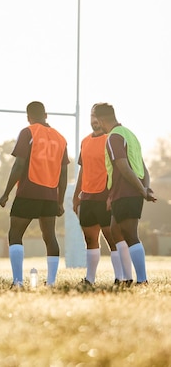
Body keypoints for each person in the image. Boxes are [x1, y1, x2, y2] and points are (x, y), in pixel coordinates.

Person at [0, 101, 68, 287]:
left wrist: (6, 193)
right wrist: (60, 201)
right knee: (50, 237)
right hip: (50, 195)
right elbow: (64, 174)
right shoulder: (61, 138)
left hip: (29, 191)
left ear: (28, 117)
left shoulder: (28, 132)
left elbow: (19, 165)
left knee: (15, 234)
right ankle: (52, 282)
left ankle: (18, 281)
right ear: (46, 115)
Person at [93, 103, 156, 285]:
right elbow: (143, 167)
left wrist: (142, 191)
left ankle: (142, 279)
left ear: (102, 119)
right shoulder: (130, 135)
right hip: (126, 192)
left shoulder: (113, 137)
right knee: (115, 230)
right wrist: (145, 187)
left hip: (128, 192)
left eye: (97, 120)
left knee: (129, 233)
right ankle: (126, 278)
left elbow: (124, 166)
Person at [73, 105, 125, 285]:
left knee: (112, 238)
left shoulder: (111, 139)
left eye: (97, 116)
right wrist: (75, 196)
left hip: (105, 195)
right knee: (90, 239)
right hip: (87, 197)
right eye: (91, 115)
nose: (94, 120)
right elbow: (83, 169)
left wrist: (113, 194)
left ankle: (120, 277)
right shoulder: (85, 141)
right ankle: (90, 278)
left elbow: (119, 168)